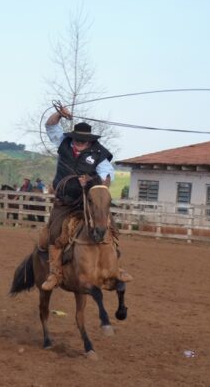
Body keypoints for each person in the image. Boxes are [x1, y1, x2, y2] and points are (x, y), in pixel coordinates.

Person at [39, 105, 126, 291]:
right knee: (54, 233)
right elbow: (50, 126)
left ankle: (116, 268)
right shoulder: (63, 142)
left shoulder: (99, 154)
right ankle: (55, 273)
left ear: (89, 141)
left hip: (88, 201)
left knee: (111, 227)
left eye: (83, 140)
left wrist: (91, 181)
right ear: (73, 137)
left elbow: (106, 177)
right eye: (77, 139)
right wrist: (60, 114)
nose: (79, 142)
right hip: (65, 201)